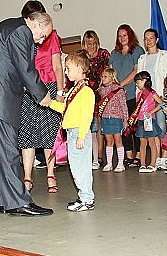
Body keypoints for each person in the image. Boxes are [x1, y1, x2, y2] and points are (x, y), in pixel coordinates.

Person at [0, 11, 53, 216]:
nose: (41, 41)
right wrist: (42, 93)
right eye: (43, 35)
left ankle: (5, 200)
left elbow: (9, 63)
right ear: (35, 24)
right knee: (7, 150)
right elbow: (25, 67)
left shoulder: (9, 25)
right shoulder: (21, 31)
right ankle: (18, 202)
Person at [18, 0, 63, 194]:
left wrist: (60, 92)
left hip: (49, 86)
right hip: (28, 88)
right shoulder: (22, 36)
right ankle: (27, 176)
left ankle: (51, 173)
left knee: (49, 132)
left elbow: (58, 66)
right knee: (26, 133)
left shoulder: (52, 36)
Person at [49, 50, 96, 211]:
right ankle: (83, 197)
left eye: (68, 68)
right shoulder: (74, 90)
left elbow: (87, 116)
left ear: (79, 68)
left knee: (81, 168)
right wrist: (50, 103)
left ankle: (87, 199)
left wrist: (82, 135)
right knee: (76, 167)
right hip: (72, 133)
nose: (66, 72)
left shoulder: (86, 91)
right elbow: (65, 109)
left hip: (78, 133)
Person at [109, 24, 145, 166]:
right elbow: (111, 72)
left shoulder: (137, 50)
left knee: (135, 125)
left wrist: (122, 84)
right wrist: (115, 87)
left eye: (124, 35)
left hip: (133, 95)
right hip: (118, 97)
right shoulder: (114, 53)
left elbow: (137, 71)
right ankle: (128, 155)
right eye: (120, 36)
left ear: (130, 35)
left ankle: (139, 155)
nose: (122, 38)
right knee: (123, 126)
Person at [137, 29, 167, 170]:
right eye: (146, 38)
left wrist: (163, 94)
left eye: (151, 38)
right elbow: (139, 80)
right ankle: (155, 159)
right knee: (150, 130)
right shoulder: (142, 58)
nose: (148, 41)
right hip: (145, 100)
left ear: (156, 40)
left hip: (159, 96)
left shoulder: (164, 55)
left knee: (161, 127)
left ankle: (164, 157)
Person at [81, 30, 110, 170]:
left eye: (93, 43)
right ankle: (88, 155)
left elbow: (109, 72)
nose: (91, 46)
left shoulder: (103, 54)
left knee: (99, 125)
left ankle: (99, 156)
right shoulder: (81, 56)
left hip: (101, 93)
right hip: (85, 94)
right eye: (88, 43)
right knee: (87, 125)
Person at [127, 71, 163, 173]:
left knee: (151, 143)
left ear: (145, 81)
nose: (137, 84)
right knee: (142, 143)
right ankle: (142, 164)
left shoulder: (152, 93)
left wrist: (151, 112)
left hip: (149, 121)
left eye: (138, 82)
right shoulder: (139, 94)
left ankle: (153, 164)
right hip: (141, 121)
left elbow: (161, 104)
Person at [97, 68, 128, 172]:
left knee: (118, 140)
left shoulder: (118, 89)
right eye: (102, 76)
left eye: (106, 76)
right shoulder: (101, 90)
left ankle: (120, 163)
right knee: (108, 141)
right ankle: (109, 163)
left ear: (112, 77)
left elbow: (123, 105)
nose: (103, 78)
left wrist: (125, 119)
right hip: (106, 118)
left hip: (117, 118)